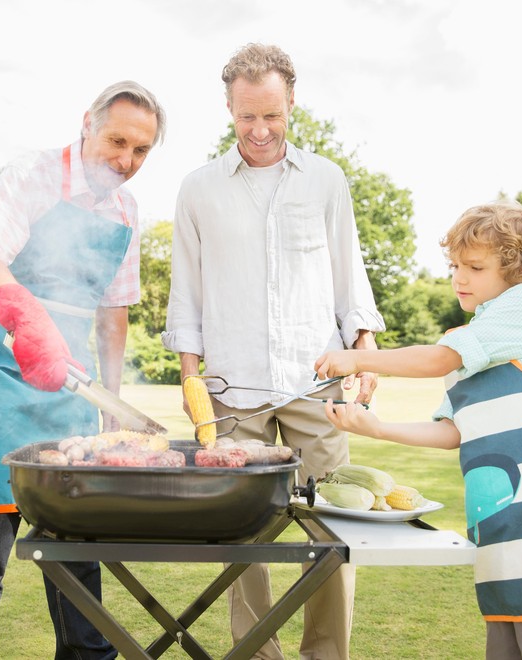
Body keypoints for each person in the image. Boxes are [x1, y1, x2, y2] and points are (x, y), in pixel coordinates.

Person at [162, 43, 385, 659]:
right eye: (245, 118)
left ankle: (325, 655)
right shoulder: (198, 189)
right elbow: (188, 290)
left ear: (292, 104)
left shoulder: (326, 180)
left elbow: (349, 276)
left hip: (315, 385)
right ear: (228, 109)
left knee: (332, 533)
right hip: (233, 390)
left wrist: (363, 346)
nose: (259, 131)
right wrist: (190, 380)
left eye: (272, 116)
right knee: (245, 541)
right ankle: (257, 655)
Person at [0, 81, 166, 660]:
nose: (126, 161)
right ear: (86, 124)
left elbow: (114, 314)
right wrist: (28, 320)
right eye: (117, 141)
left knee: (75, 551)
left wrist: (111, 406)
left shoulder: (126, 209)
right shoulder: (31, 175)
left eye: (141, 151)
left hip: (68, 390)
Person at [315, 202, 522, 659]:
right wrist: (375, 427)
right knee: (507, 639)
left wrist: (360, 357)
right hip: (501, 520)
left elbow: (438, 358)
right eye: (454, 266)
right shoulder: (477, 339)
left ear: (520, 269)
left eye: (475, 267)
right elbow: (452, 431)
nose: (459, 278)